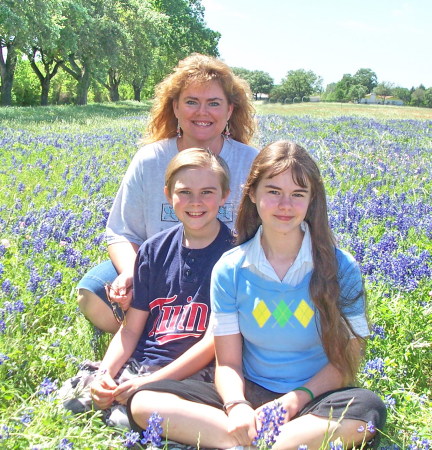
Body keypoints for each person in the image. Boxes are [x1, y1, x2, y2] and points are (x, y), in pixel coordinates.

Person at [126, 141, 387, 449]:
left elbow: (346, 361)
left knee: (367, 409)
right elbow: (227, 364)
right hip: (249, 391)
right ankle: (266, 441)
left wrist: (293, 401)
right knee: (145, 402)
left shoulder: (340, 267)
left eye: (298, 194)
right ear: (252, 194)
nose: (285, 205)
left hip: (313, 398)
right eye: (273, 191)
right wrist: (236, 405)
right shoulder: (231, 267)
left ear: (312, 200)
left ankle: (242, 442)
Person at [77, 53, 257, 333]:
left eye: (214, 103)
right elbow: (122, 232)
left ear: (230, 110)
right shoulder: (150, 160)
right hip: (157, 269)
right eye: (191, 102)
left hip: (224, 272)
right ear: (175, 107)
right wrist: (133, 274)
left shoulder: (250, 162)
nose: (202, 112)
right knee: (91, 295)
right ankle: (161, 335)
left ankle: (185, 336)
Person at [72, 148, 234, 425]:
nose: (195, 202)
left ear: (224, 197)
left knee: (139, 411)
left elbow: (213, 344)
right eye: (184, 192)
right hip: (144, 363)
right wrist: (105, 375)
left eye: (207, 192)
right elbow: (131, 328)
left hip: (195, 372)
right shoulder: (153, 250)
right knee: (77, 395)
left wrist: (150, 383)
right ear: (168, 195)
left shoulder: (234, 256)